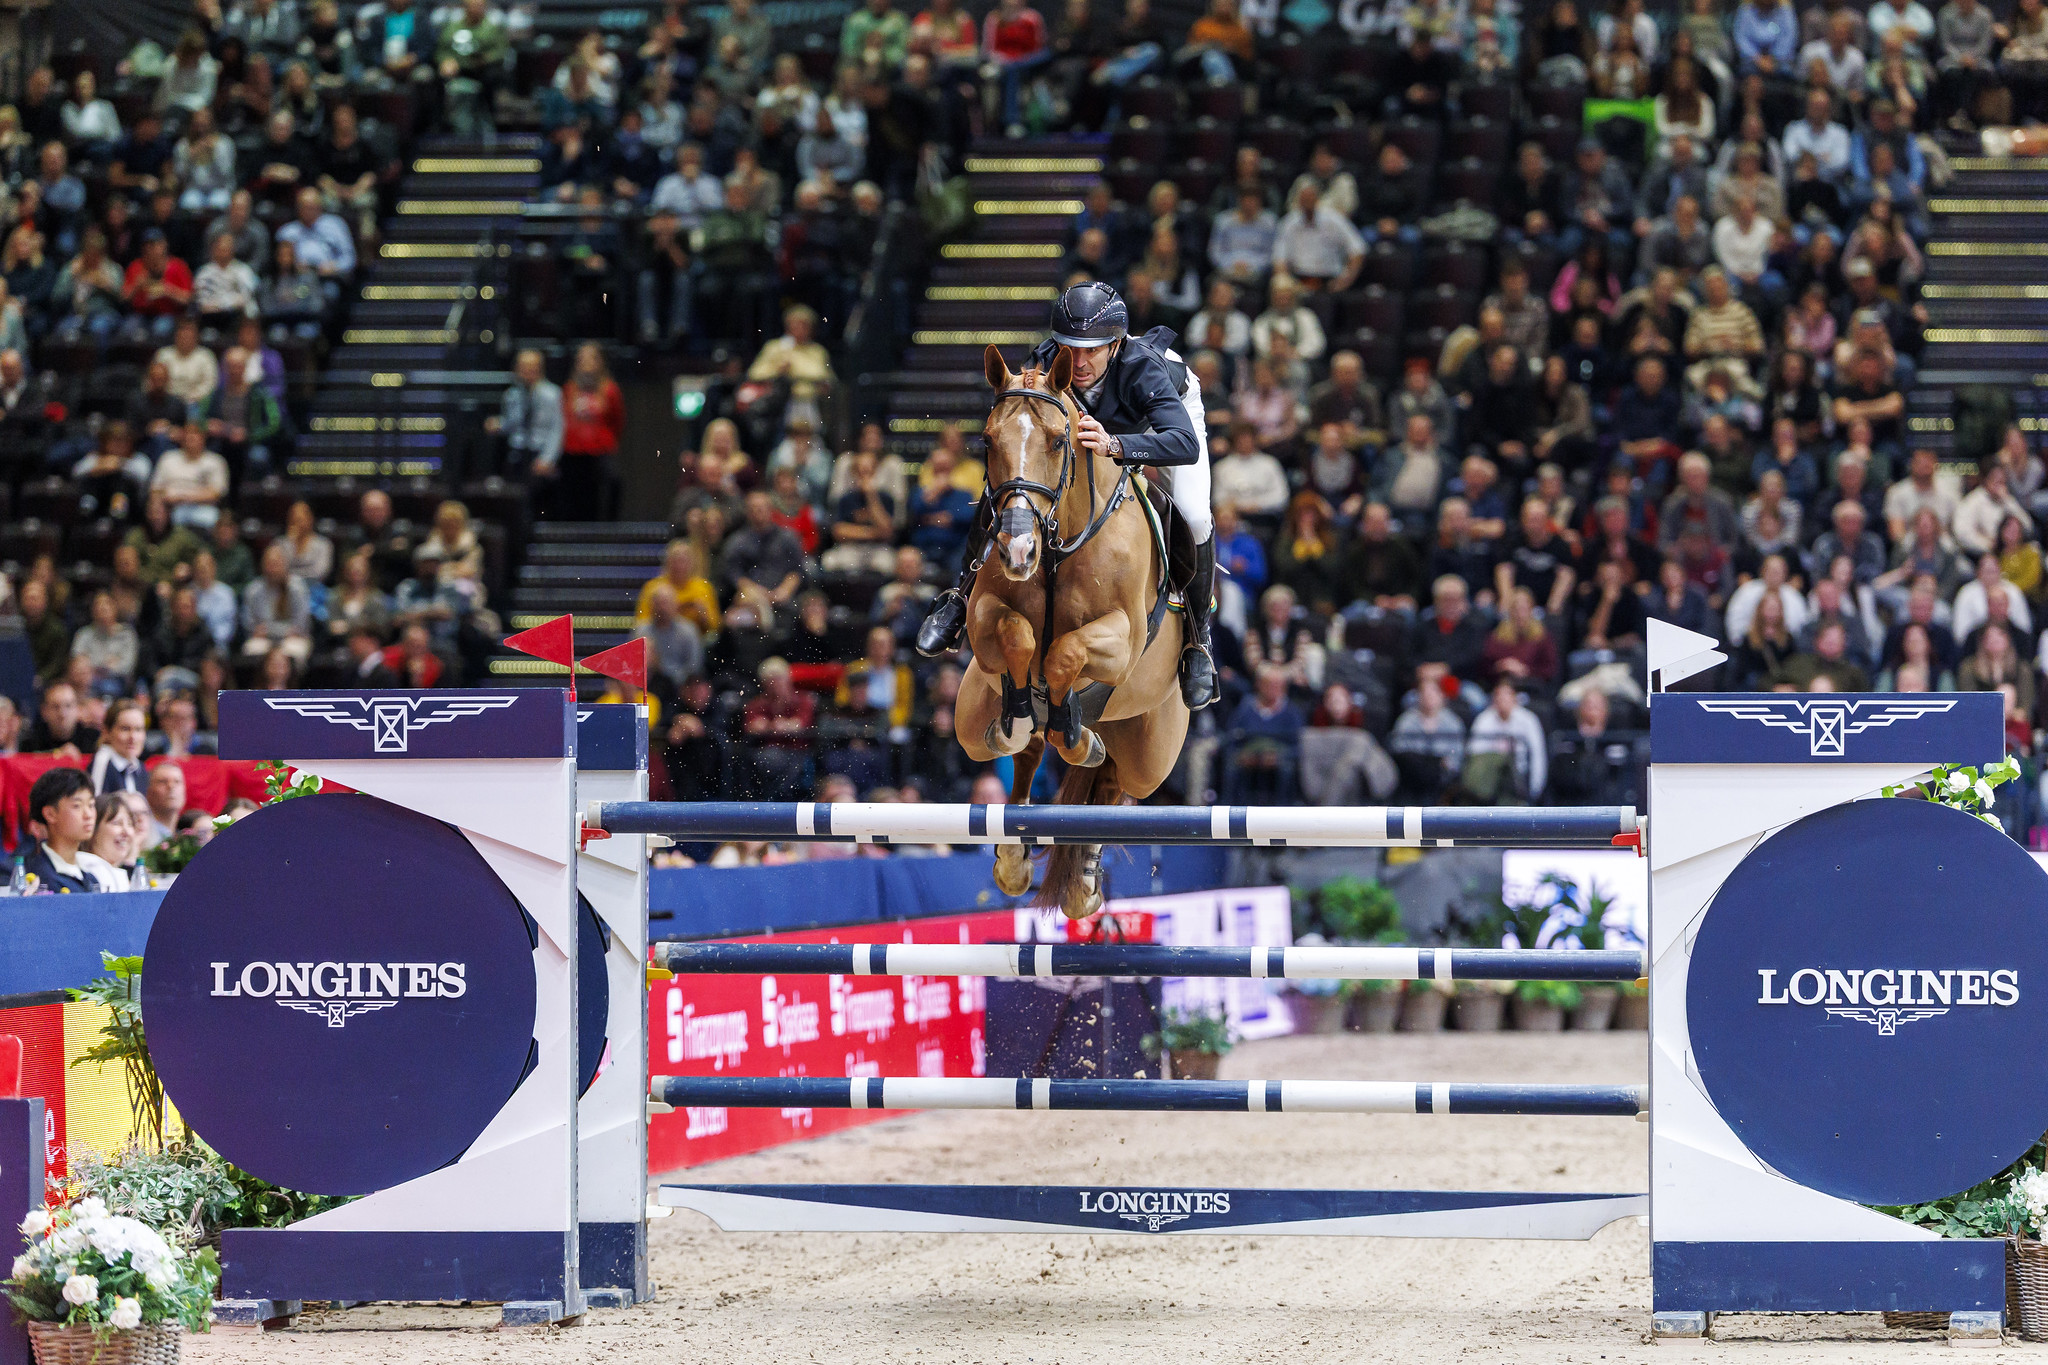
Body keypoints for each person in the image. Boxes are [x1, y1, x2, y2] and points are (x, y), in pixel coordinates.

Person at [914, 282, 1217, 707]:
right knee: (1013, 484)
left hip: (1161, 420)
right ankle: (958, 598)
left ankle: (1199, 642)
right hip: (1092, 424)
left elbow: (1184, 443)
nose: (1078, 362)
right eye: (1069, 348)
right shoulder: (1043, 363)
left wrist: (1116, 445)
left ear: (1114, 345)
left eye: (1091, 350)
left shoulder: (1144, 369)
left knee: (1195, 514)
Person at [556, 343, 625, 520]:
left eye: (592, 358)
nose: (587, 363)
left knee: (611, 484)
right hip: (573, 452)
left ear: (600, 362)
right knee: (575, 492)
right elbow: (562, 419)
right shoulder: (569, 389)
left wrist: (605, 441)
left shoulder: (610, 390)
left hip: (600, 451)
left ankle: (608, 527)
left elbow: (618, 421)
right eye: (582, 359)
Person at [20, 767, 104, 892]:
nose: (88, 814)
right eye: (77, 806)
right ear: (50, 814)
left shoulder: (91, 879)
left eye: (91, 805)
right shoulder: (31, 875)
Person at [88, 698, 150, 795]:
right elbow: (95, 801)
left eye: (138, 729)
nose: (133, 737)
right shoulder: (102, 762)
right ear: (106, 732)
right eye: (125, 729)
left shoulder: (139, 768)